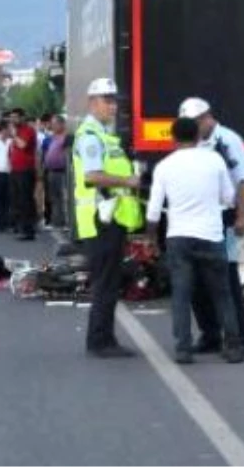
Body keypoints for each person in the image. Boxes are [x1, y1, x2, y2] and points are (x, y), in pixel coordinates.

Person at [147, 117, 244, 365]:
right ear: (199, 137)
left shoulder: (165, 166)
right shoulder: (215, 161)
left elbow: (154, 210)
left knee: (181, 295)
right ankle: (233, 346)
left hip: (179, 238)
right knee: (222, 293)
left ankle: (183, 349)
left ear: (173, 138)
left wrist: (151, 239)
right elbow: (228, 197)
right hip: (211, 236)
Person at [72, 78, 144, 358]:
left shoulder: (104, 135)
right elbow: (92, 176)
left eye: (114, 100)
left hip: (110, 218)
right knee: (105, 283)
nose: (113, 105)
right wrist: (129, 181)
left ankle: (104, 338)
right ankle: (100, 341)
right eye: (106, 100)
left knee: (110, 281)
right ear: (92, 103)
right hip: (100, 220)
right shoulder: (91, 136)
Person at [178, 97, 244, 356]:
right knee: (197, 280)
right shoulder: (192, 144)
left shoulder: (228, 140)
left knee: (228, 278)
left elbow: (241, 181)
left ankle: (238, 338)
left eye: (195, 123)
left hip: (226, 217)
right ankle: (209, 334)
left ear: (206, 118)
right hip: (199, 218)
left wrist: (242, 217)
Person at [8, 107, 39, 241]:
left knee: (25, 200)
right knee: (16, 199)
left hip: (26, 170)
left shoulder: (28, 130)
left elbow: (22, 145)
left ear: (22, 118)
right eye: (11, 117)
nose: (12, 120)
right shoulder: (17, 131)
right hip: (15, 170)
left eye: (15, 117)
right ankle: (19, 226)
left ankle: (28, 230)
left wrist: (15, 135)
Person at [42, 115, 69, 231]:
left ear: (62, 124)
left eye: (55, 124)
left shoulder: (67, 137)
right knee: (54, 198)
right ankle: (57, 222)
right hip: (51, 171)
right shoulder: (53, 137)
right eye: (52, 124)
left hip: (62, 172)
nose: (52, 126)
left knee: (63, 197)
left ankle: (66, 223)